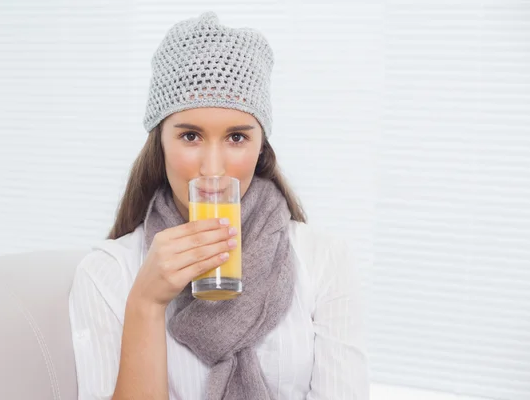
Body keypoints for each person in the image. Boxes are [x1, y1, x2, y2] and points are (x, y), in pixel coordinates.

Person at [69, 11, 369, 400]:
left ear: (261, 147)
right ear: (159, 143)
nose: (212, 169)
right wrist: (146, 303)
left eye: (236, 138)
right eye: (190, 136)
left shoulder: (323, 259)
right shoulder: (109, 274)